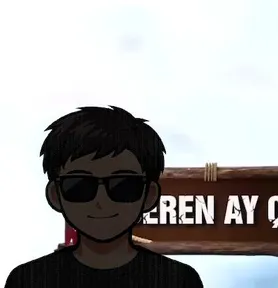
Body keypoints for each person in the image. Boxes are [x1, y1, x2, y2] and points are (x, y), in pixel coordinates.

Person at [5, 106, 204, 288]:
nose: (101, 201)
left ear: (149, 195)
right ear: (55, 195)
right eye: (79, 186)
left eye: (123, 185)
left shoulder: (178, 280)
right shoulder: (28, 280)